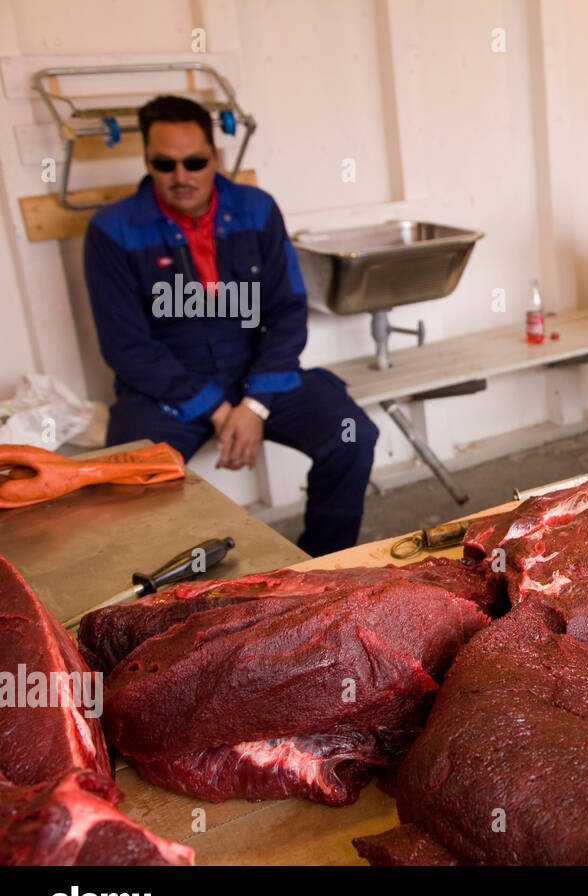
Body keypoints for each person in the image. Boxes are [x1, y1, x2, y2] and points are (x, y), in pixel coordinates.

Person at [83, 95, 378, 556]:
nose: (181, 177)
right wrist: (220, 410)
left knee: (353, 434)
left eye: (194, 162)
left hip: (257, 372)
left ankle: (322, 566)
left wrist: (255, 403)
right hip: (165, 390)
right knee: (127, 484)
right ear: (147, 162)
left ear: (215, 157)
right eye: (165, 164)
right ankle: (170, 600)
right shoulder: (111, 230)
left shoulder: (256, 210)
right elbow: (125, 346)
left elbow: (286, 311)